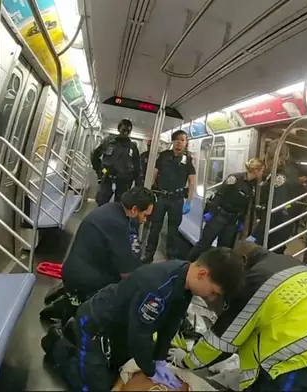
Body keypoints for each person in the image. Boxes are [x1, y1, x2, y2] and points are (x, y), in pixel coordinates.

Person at [42, 248, 246, 392]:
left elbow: (171, 323)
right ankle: (57, 342)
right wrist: (150, 369)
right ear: (202, 273)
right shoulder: (158, 287)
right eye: (213, 292)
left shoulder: (184, 282)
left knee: (120, 371)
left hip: (122, 325)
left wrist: (158, 359)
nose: (211, 299)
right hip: (96, 323)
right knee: (94, 387)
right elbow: (139, 335)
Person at [168, 241, 307, 391]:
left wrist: (186, 361)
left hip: (305, 361)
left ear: (243, 260)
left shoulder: (254, 281)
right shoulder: (289, 262)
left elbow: (222, 341)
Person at [40, 187, 156, 324]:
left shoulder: (115, 210)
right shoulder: (117, 224)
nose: (145, 220)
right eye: (145, 215)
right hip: (83, 276)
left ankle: (72, 299)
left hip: (83, 268)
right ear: (135, 210)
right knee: (123, 292)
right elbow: (127, 271)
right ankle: (72, 305)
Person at [187, 158, 265, 262]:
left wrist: (241, 222)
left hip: (232, 221)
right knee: (204, 244)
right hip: (219, 216)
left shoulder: (252, 186)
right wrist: (211, 212)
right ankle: (188, 264)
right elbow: (219, 195)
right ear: (256, 170)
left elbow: (245, 206)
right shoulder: (235, 178)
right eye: (262, 170)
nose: (262, 173)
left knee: (223, 250)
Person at [143, 130, 196, 263]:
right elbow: (154, 174)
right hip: (161, 196)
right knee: (155, 227)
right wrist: (149, 192)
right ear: (173, 141)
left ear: (186, 143)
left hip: (177, 199)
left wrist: (188, 201)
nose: (179, 143)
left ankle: (170, 256)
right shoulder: (164, 156)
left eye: (182, 140)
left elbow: (192, 181)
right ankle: (149, 254)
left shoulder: (188, 159)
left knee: (173, 229)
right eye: (177, 140)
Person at [248, 143, 301, 254]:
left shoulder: (281, 176)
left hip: (275, 225)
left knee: (268, 255)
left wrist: (257, 233)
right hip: (282, 223)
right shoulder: (290, 171)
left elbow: (275, 209)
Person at [92, 119, 141, 206]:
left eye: (128, 131)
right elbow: (94, 155)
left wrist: (136, 183)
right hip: (107, 176)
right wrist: (99, 170)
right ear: (119, 129)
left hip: (124, 181)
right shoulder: (108, 141)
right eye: (123, 130)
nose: (125, 133)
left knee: (120, 206)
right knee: (101, 203)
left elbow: (137, 166)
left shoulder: (132, 147)